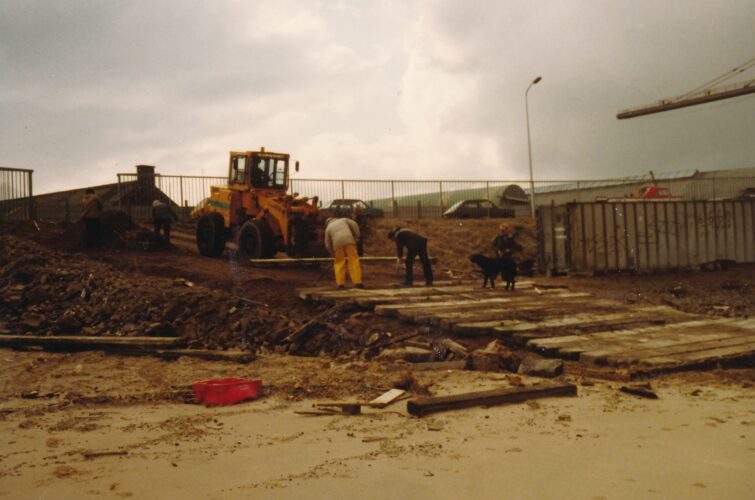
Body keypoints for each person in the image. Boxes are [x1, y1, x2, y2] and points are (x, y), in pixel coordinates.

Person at [324, 217, 364, 289]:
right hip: (349, 240)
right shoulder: (343, 220)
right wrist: (357, 236)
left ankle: (340, 284)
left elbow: (327, 244)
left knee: (339, 263)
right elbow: (355, 224)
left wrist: (333, 255)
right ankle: (358, 282)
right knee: (353, 260)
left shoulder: (328, 229)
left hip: (337, 245)